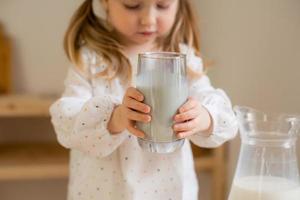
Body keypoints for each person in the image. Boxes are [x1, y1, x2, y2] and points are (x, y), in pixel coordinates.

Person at [50, 0, 238, 199]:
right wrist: (115, 117)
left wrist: (204, 117)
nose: (148, 20)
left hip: (168, 190)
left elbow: (225, 118)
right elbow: (65, 120)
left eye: (163, 6)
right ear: (105, 2)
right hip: (103, 191)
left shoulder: (183, 59)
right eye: (132, 5)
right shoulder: (90, 59)